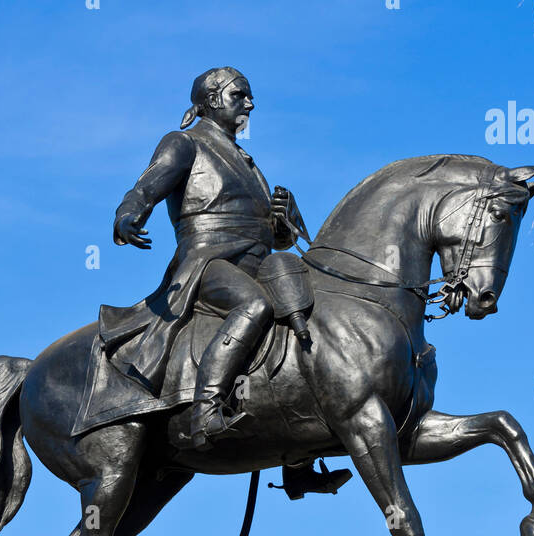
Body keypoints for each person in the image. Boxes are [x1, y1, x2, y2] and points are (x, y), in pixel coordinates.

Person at [95, 66, 350, 496]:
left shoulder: (249, 162)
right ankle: (206, 412)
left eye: (249, 96)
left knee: (305, 312)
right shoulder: (185, 143)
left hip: (257, 260)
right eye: (241, 95)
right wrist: (128, 213)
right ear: (213, 99)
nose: (250, 103)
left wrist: (285, 220)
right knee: (254, 305)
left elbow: (277, 236)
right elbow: (147, 186)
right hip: (206, 260)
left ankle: (300, 459)